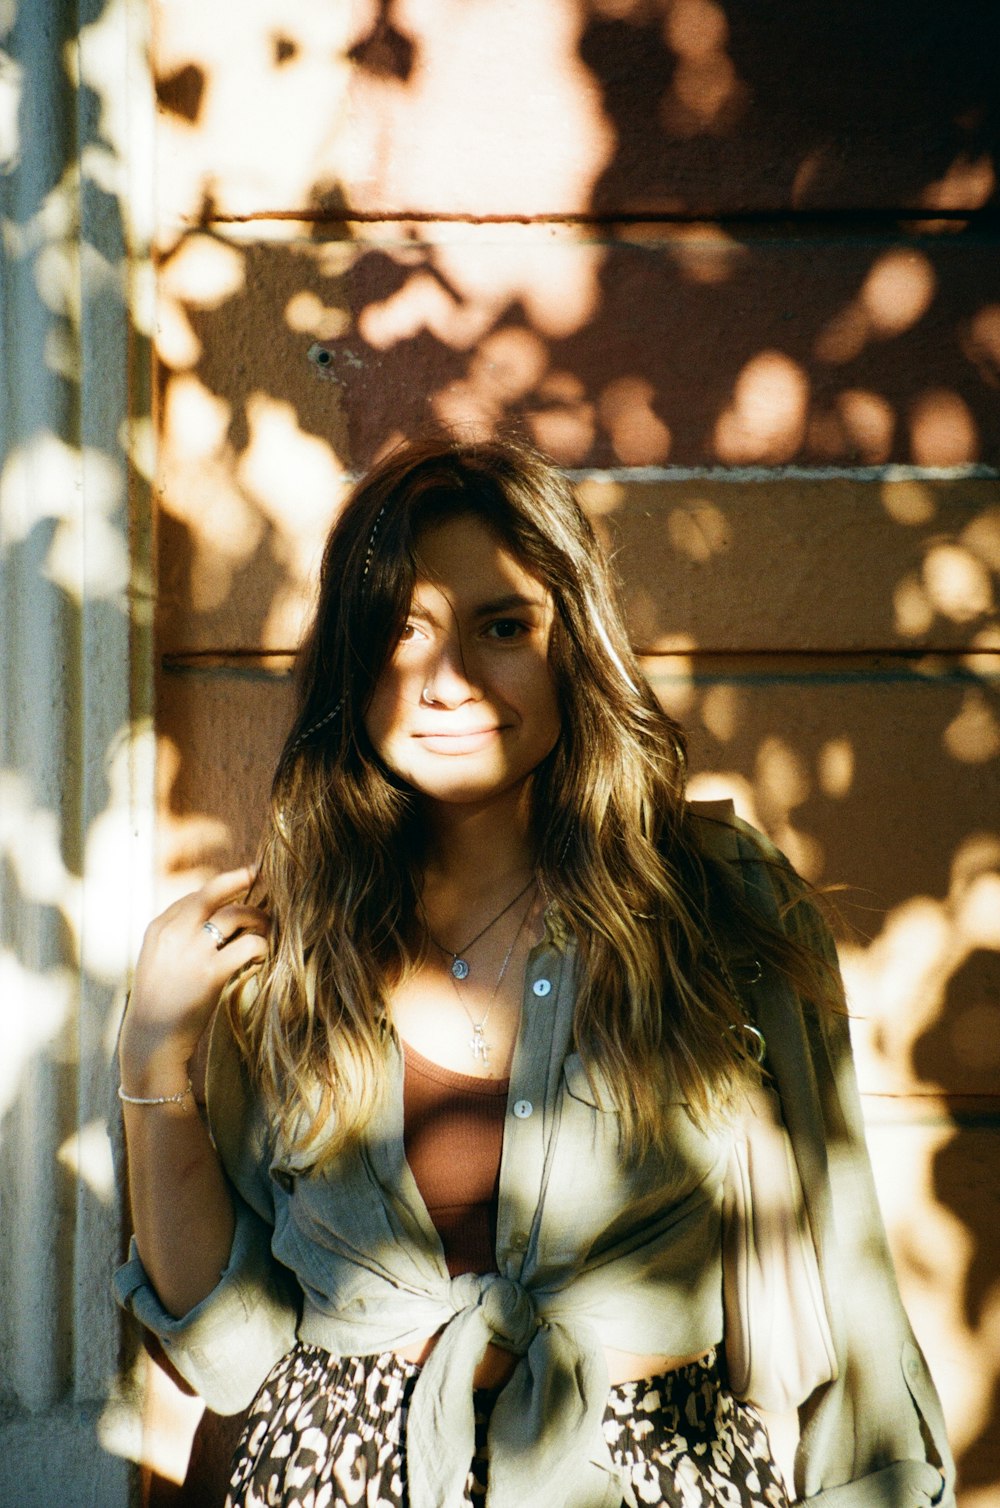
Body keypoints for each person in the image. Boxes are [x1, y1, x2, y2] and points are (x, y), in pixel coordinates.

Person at [115, 435, 954, 1508]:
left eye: (500, 627)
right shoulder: (273, 946)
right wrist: (154, 1051)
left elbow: (846, 1269)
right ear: (350, 662)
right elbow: (226, 1349)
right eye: (400, 631)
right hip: (327, 1478)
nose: (448, 680)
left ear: (573, 645)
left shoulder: (719, 904)